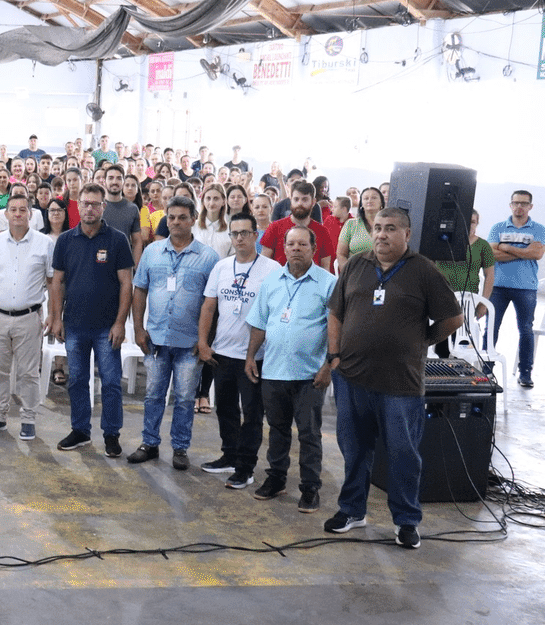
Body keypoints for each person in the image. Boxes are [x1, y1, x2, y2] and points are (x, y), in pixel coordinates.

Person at [324, 208, 462, 548]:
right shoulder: (356, 265)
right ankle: (352, 511)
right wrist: (335, 356)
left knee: (403, 454)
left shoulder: (424, 271)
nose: (382, 235)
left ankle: (406, 521)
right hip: (352, 378)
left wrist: (423, 340)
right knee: (354, 450)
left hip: (400, 384)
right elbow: (335, 312)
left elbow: (453, 318)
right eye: (378, 228)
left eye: (390, 229)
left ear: (407, 234)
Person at [243, 225, 337, 511]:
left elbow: (336, 328)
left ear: (313, 248)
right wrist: (250, 357)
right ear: (284, 248)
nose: (296, 248)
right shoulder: (271, 282)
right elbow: (260, 323)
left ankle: (310, 488)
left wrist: (329, 365)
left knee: (309, 434)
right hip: (273, 370)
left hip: (310, 375)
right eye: (291, 244)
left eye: (302, 244)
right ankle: (276, 479)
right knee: (278, 430)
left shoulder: (328, 283)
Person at [127, 196, 219, 469]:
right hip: (155, 339)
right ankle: (149, 443)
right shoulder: (152, 252)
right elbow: (140, 290)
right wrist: (138, 329)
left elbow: (212, 304)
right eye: (172, 217)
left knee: (184, 398)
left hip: (189, 343)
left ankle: (180, 448)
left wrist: (205, 342)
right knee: (153, 394)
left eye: (182, 217)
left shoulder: (208, 257)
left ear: (193, 219)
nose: (176, 222)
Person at [197, 212, 280, 488]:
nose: (240, 238)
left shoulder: (271, 269)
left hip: (254, 357)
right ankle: (229, 456)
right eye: (235, 233)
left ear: (256, 236)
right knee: (226, 409)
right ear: (230, 237)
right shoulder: (222, 267)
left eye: (246, 233)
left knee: (252, 414)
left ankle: (246, 467)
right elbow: (209, 306)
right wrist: (203, 343)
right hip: (222, 352)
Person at [50, 183, 134, 456]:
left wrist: (120, 323)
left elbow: (126, 284)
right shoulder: (65, 240)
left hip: (107, 327)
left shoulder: (118, 240)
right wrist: (56, 318)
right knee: (77, 380)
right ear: (78, 205)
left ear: (103, 207)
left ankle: (111, 433)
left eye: (95, 204)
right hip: (74, 324)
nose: (90, 208)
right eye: (85, 203)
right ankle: (81, 430)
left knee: (110, 382)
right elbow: (58, 282)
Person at [0, 194, 53, 440]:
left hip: (29, 317)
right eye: (13, 210)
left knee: (29, 372)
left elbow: (52, 282)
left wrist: (53, 314)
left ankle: (28, 418)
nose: (18, 214)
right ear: (5, 214)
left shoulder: (45, 243)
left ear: (30, 213)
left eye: (22, 210)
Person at [488, 190, 544, 388]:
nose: (519, 206)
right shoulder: (498, 227)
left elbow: (537, 254)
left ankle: (525, 373)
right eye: (516, 203)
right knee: (491, 328)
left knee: (526, 330)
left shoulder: (538, 229)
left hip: (526, 287)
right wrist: (523, 252)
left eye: (524, 203)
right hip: (498, 286)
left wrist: (507, 247)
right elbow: (493, 255)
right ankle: (486, 371)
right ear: (510, 205)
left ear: (530, 206)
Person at [260, 180, 333, 271]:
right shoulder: (274, 228)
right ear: (291, 200)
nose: (300, 203)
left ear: (313, 202)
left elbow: (325, 268)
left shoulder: (323, 232)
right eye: (296, 199)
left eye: (305, 199)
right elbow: (264, 265)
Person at [336, 186, 385, 269]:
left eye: (374, 198)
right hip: (355, 274)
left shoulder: (389, 225)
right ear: (361, 204)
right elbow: (341, 254)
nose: (369, 200)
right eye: (366, 198)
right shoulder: (351, 224)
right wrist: (347, 274)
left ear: (381, 203)